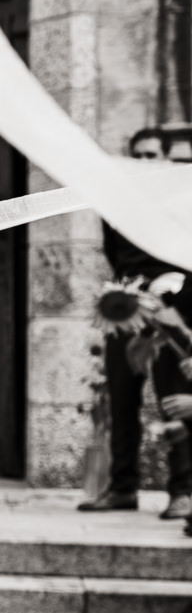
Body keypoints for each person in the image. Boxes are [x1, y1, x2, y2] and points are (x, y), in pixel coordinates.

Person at [78, 128, 192, 519]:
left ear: (164, 158)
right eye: (137, 155)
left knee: (174, 402)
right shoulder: (118, 205)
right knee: (121, 402)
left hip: (171, 313)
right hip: (125, 312)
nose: (143, 162)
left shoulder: (182, 202)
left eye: (150, 155)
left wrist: (172, 304)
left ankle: (182, 492)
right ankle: (122, 488)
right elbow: (115, 255)